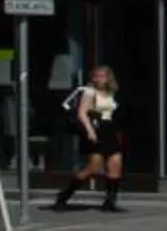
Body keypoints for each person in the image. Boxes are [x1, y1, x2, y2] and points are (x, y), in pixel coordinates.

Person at [53, 64, 123, 213]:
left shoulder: (110, 92)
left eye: (101, 76)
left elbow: (111, 112)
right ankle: (64, 196)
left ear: (108, 78)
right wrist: (90, 131)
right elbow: (82, 113)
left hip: (109, 129)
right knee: (92, 168)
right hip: (97, 130)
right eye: (95, 76)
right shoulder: (89, 92)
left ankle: (110, 202)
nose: (97, 79)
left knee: (115, 164)